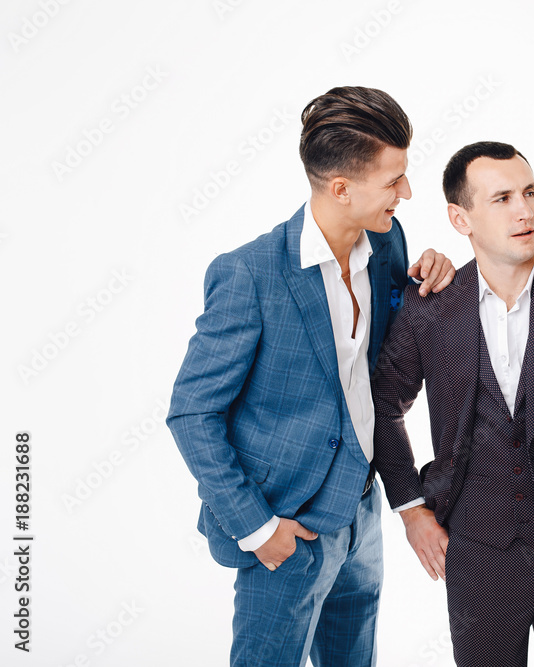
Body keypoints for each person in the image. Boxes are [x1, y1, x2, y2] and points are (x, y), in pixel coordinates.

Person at [167, 86, 455, 667]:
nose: (406, 191)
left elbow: (382, 358)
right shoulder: (248, 274)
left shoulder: (387, 239)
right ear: (340, 188)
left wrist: (431, 275)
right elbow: (191, 413)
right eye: (393, 179)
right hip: (284, 528)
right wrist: (257, 528)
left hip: (362, 513)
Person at [371, 141, 534, 667]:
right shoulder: (430, 308)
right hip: (477, 556)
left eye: (531, 192)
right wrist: (410, 510)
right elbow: (382, 407)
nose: (525, 210)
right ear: (459, 218)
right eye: (503, 198)